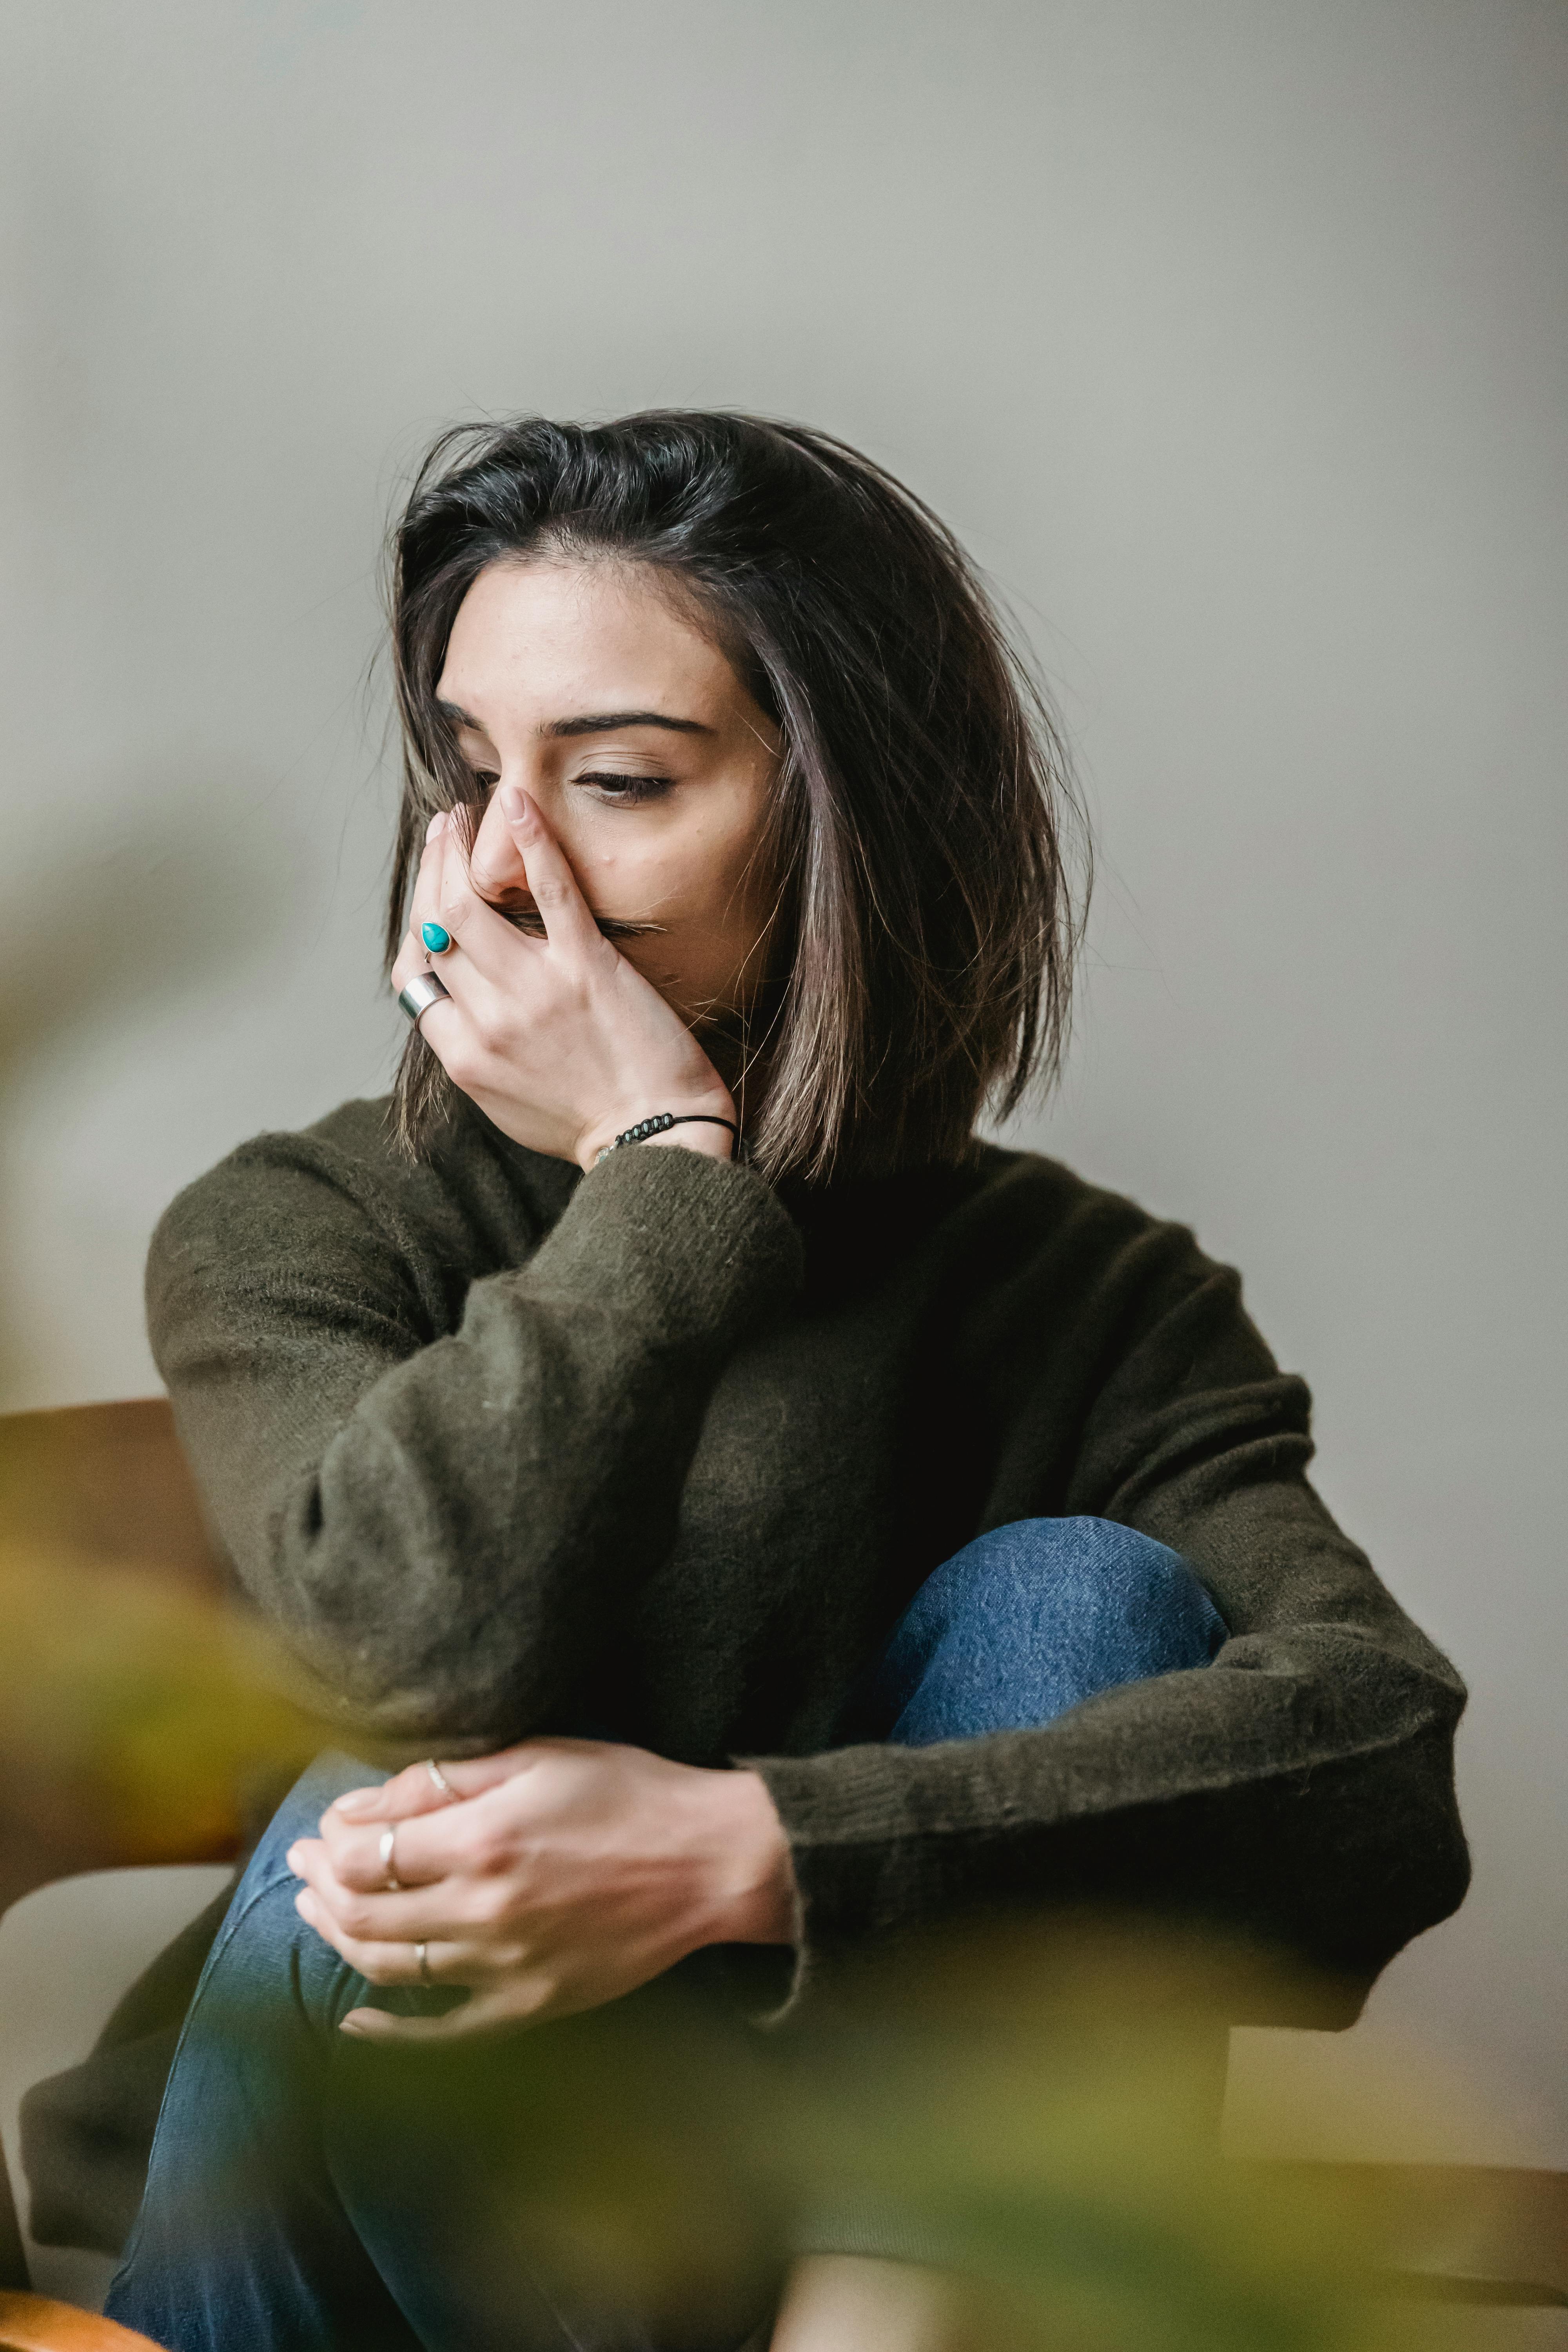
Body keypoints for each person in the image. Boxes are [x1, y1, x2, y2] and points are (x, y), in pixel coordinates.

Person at [100, 411, 1468, 2352]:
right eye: (468, 774)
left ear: (850, 817)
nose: (500, 867)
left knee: (1080, 1594)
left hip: (841, 2266)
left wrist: (744, 1856)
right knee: (396, 1797)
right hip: (334, 2250)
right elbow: (408, 1660)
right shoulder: (301, 1226)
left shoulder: (1077, 1299)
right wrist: (663, 1176)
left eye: (623, 781)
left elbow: (1374, 1771)